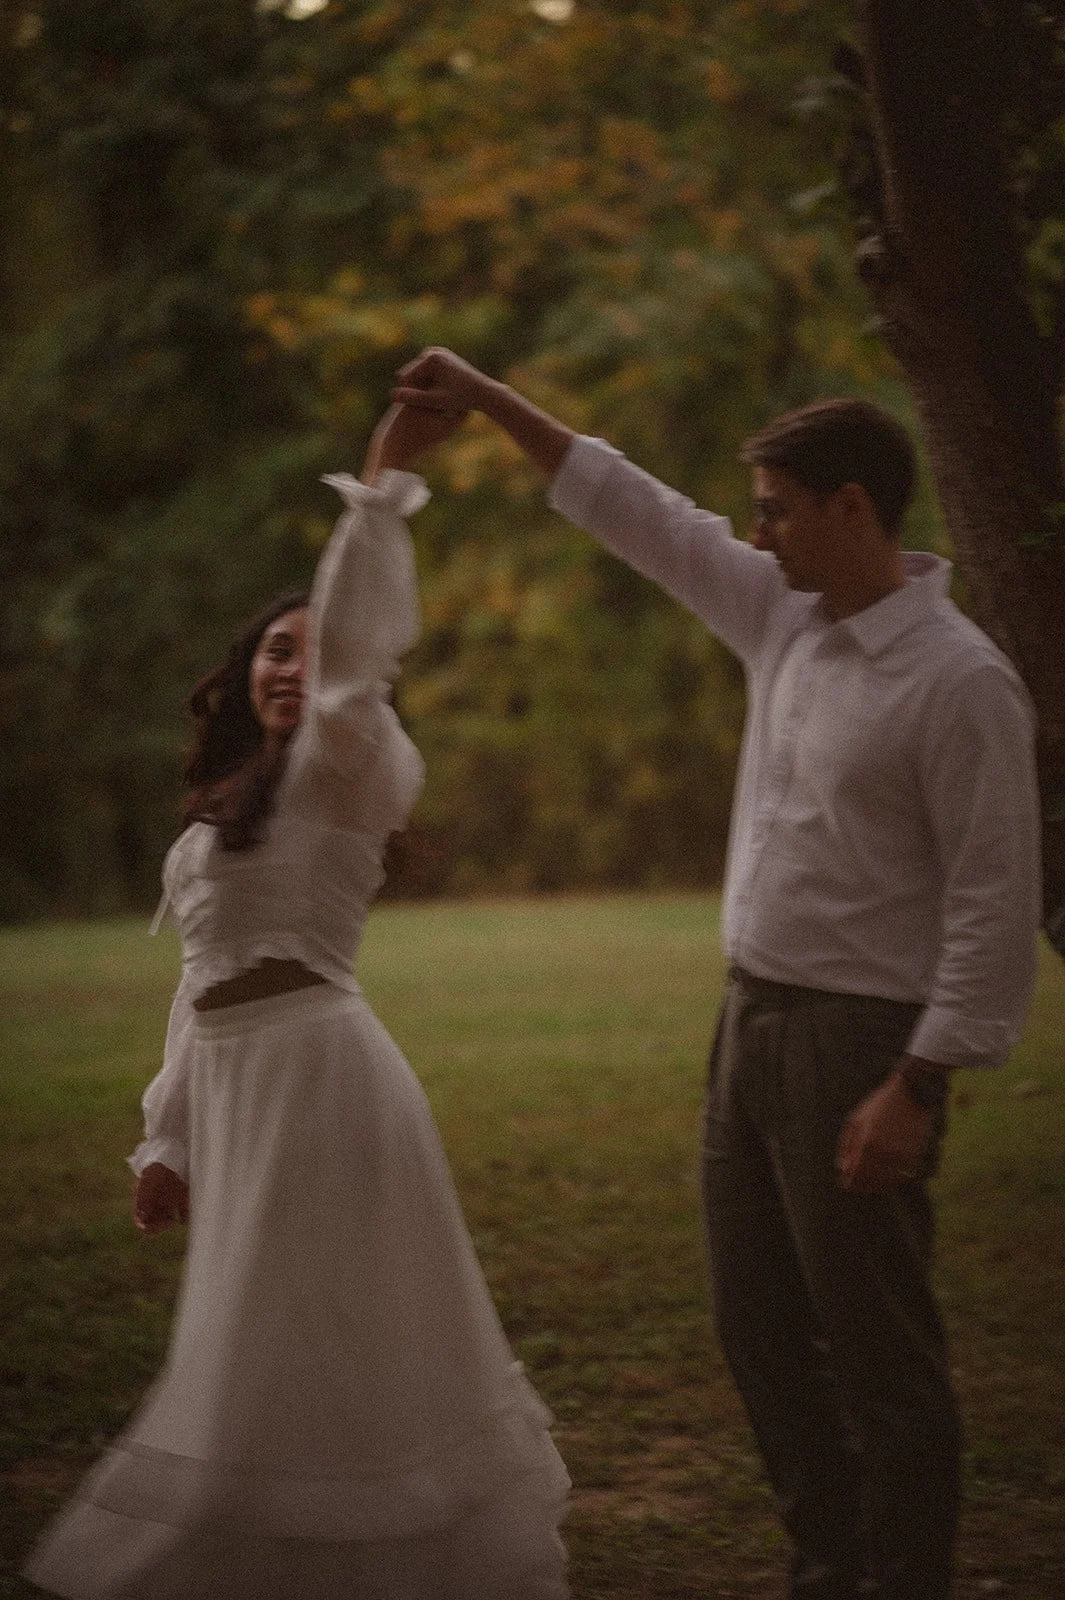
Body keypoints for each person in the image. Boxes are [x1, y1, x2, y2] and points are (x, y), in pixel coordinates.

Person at [388, 348, 1042, 1600]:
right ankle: (826, 1567)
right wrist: (482, 396)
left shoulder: (962, 684)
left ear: (854, 507)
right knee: (757, 1330)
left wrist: (918, 1081)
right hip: (746, 1024)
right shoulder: (781, 616)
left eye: (777, 510)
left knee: (878, 1346)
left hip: (866, 1043)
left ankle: (905, 1579)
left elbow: (993, 909)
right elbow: (639, 508)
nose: (757, 534)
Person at [25, 403, 570, 1600]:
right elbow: (196, 981)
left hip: (323, 1080)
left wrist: (382, 482)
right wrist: (165, 1136)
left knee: (313, 1344)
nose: (298, 667)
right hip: (236, 1089)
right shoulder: (223, 808)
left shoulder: (348, 765)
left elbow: (359, 660)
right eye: (278, 648)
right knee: (262, 1343)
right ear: (242, 669)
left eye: (317, 651)